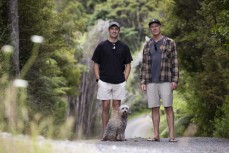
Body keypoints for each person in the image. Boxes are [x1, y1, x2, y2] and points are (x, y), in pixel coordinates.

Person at [140, 19, 179, 142]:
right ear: (150, 29)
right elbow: (144, 64)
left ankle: (172, 136)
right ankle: (156, 135)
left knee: (168, 107)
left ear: (160, 27)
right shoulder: (147, 44)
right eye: (152, 27)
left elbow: (175, 62)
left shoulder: (169, 42)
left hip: (166, 79)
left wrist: (175, 80)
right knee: (154, 108)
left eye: (156, 26)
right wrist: (143, 81)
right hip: (151, 81)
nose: (154, 28)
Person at [92, 21, 133, 134]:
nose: (114, 31)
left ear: (118, 31)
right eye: (112, 29)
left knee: (116, 108)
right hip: (104, 81)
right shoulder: (101, 46)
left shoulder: (124, 47)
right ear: (109, 30)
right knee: (105, 107)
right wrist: (97, 79)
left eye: (116, 29)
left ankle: (114, 132)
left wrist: (125, 79)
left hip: (119, 82)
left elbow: (128, 64)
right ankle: (106, 133)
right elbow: (96, 63)